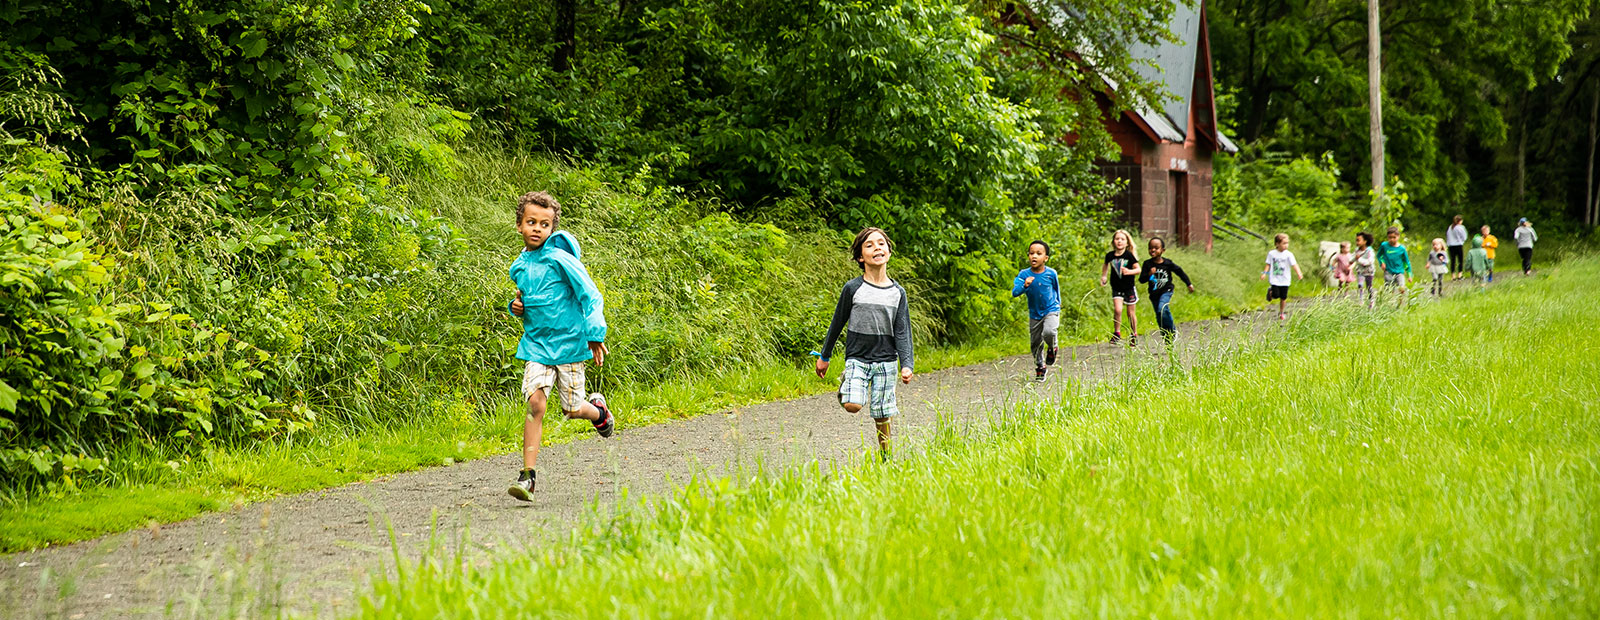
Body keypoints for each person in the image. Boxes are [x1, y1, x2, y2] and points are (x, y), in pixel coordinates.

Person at [504, 191, 615, 501]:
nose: (537, 228)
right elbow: (524, 299)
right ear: (519, 226)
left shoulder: (561, 259)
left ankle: (599, 413)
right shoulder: (520, 266)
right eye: (531, 222)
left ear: (552, 229)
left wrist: (595, 332)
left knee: (572, 408)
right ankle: (528, 478)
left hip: (568, 344)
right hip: (537, 345)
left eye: (545, 224)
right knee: (535, 404)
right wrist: (515, 306)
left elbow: (590, 295)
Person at [815, 227, 914, 459]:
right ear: (861, 257)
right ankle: (846, 385)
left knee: (882, 413)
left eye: (881, 243)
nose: (877, 247)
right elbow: (837, 323)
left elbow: (902, 331)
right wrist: (824, 356)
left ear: (889, 251)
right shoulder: (853, 289)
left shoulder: (898, 292)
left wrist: (906, 364)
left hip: (887, 361)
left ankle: (886, 456)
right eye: (869, 245)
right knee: (853, 405)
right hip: (858, 358)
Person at [1012, 240, 1061, 381]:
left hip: (1051, 309)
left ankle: (1052, 347)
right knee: (1035, 343)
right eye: (1031, 253)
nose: (1034, 256)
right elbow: (1015, 292)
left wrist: (1058, 305)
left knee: (1049, 332)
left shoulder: (1051, 273)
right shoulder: (1023, 274)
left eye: (1039, 254)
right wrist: (1025, 285)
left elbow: (1056, 290)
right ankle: (1040, 366)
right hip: (1035, 313)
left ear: (1045, 258)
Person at [1139, 237, 1194, 346]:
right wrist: (1149, 274)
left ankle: (1173, 330)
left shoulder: (1167, 263)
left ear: (1163, 250)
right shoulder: (1147, 264)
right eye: (1150, 248)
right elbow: (1141, 280)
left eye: (1156, 248)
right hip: (1154, 294)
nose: (1153, 250)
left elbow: (1179, 272)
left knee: (1162, 308)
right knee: (1159, 316)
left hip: (1166, 291)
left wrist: (1188, 283)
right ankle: (1167, 338)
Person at [1099, 229, 1142, 345]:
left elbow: (1138, 269)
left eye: (1122, 239)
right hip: (1116, 287)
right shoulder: (1109, 256)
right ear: (1113, 242)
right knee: (1118, 310)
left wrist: (1129, 271)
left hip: (1129, 288)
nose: (1119, 241)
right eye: (1117, 239)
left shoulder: (1129, 255)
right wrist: (1104, 277)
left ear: (1127, 243)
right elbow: (1105, 266)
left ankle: (1134, 334)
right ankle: (1117, 333)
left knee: (1130, 313)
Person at [1261, 233, 1304, 320]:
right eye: (1284, 243)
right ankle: (1271, 292)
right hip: (1275, 279)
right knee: (1276, 295)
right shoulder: (1272, 254)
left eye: (1287, 243)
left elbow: (1294, 265)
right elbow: (1268, 264)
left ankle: (1281, 312)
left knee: (1283, 297)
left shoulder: (1289, 254)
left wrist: (1299, 273)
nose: (1286, 245)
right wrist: (1264, 273)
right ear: (1277, 244)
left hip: (1285, 279)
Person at [1376, 226, 1412, 307]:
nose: (1392, 239)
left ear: (1398, 236)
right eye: (1390, 237)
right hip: (1388, 271)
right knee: (1389, 289)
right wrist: (1382, 263)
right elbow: (1379, 255)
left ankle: (1400, 303)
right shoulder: (1384, 245)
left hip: (1399, 271)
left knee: (1402, 288)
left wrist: (1409, 274)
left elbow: (1406, 262)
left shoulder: (1402, 249)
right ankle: (1390, 304)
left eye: (1394, 237)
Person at [1353, 231, 1378, 308]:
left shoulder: (1369, 251)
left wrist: (1359, 259)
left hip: (1369, 272)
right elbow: (1353, 257)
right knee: (1360, 285)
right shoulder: (1357, 250)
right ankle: (1361, 300)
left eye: (1358, 240)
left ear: (1365, 241)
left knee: (1369, 287)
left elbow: (1369, 261)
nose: (1357, 242)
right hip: (1360, 271)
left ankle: (1371, 301)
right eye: (1356, 240)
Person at [1446, 214, 1468, 280]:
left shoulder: (1450, 227)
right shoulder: (1460, 227)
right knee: (1460, 260)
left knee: (1453, 261)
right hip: (1458, 245)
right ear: (1460, 221)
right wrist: (1462, 240)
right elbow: (1464, 236)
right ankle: (1460, 275)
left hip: (1450, 245)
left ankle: (1453, 275)